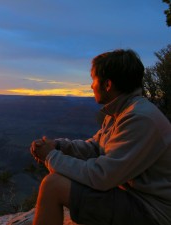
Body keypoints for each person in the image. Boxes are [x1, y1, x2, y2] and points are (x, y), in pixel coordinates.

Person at [30, 49, 171, 225]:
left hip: (152, 211)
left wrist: (51, 157)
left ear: (108, 84)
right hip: (133, 198)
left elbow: (102, 176)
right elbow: (95, 148)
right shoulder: (120, 112)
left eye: (93, 79)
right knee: (55, 182)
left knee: (53, 186)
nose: (91, 86)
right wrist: (58, 146)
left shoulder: (140, 119)